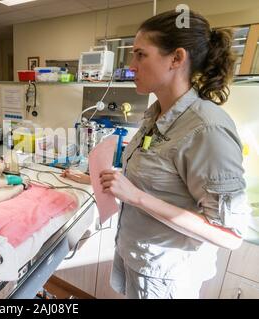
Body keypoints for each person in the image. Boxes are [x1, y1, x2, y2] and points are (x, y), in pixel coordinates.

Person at [63, 10, 251, 299]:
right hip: (138, 258)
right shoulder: (156, 115)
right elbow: (159, 181)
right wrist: (97, 179)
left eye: (140, 55)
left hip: (168, 275)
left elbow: (230, 235)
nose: (131, 66)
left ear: (176, 59)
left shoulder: (206, 129)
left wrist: (136, 197)